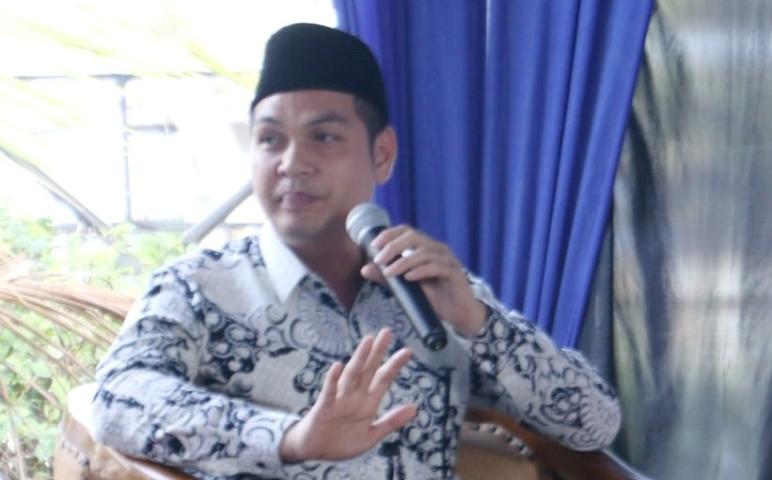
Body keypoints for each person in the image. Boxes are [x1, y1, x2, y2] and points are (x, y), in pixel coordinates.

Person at [91, 22, 621, 480]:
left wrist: (480, 323)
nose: (291, 163)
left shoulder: (432, 297)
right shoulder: (200, 288)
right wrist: (291, 437)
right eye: (271, 139)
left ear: (382, 154)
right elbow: (119, 397)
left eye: (323, 137)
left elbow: (593, 422)